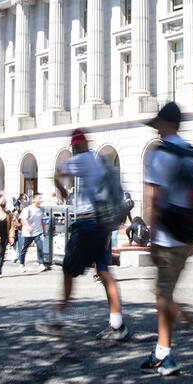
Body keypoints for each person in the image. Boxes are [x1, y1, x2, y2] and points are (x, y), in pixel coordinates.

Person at [39, 128, 128, 341]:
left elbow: (59, 172)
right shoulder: (97, 161)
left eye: (75, 147)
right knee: (105, 272)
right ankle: (117, 325)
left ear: (77, 146)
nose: (76, 149)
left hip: (86, 223)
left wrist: (59, 185)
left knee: (69, 270)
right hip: (103, 222)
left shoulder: (82, 159)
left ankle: (57, 318)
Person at [140, 101, 193, 375]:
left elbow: (154, 198)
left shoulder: (160, 153)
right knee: (165, 293)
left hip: (167, 237)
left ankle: (168, 354)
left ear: (165, 125)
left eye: (158, 126)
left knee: (164, 296)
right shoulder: (191, 151)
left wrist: (151, 237)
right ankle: (161, 351)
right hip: (187, 236)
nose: (156, 131)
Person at [18, 193, 49, 272]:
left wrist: (44, 231)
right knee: (24, 249)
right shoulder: (28, 209)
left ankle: (41, 263)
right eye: (39, 198)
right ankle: (21, 264)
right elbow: (23, 219)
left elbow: (42, 220)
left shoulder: (41, 209)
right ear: (34, 199)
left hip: (37, 232)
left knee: (40, 247)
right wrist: (28, 226)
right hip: (28, 233)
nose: (40, 200)